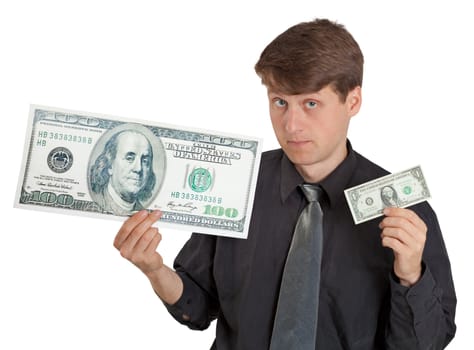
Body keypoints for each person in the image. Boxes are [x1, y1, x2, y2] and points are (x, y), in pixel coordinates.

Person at [113, 19, 456, 349]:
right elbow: (198, 304)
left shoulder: (404, 212)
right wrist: (154, 270)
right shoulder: (238, 185)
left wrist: (411, 274)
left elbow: (426, 344)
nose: (291, 125)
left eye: (310, 103)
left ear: (352, 101)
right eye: (280, 102)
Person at [90, 129, 156, 215]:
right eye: (129, 158)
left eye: (145, 161)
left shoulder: (144, 214)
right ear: (110, 165)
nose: (138, 168)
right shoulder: (94, 204)